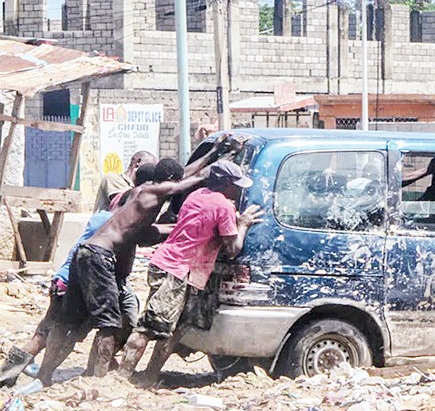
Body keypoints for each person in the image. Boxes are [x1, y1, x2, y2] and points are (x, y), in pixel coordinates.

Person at [37, 148, 224, 387]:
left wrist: (213, 151)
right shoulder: (156, 191)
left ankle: (45, 374)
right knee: (109, 325)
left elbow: (180, 179)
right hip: (99, 256)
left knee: (67, 322)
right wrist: (213, 168)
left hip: (84, 253)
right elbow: (185, 182)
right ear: (169, 181)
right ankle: (100, 381)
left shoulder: (138, 192)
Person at [0, 163, 159, 386]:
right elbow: (123, 269)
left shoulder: (101, 217)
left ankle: (9, 374)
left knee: (45, 332)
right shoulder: (120, 227)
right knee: (74, 332)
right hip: (79, 281)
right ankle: (63, 375)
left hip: (63, 278)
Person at [120, 161, 263, 387]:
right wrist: (243, 224)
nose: (239, 190)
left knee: (170, 330)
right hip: (177, 269)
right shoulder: (223, 206)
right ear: (225, 184)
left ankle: (146, 377)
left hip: (175, 266)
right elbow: (233, 249)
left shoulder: (196, 196)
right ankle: (123, 378)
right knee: (149, 327)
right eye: (235, 185)